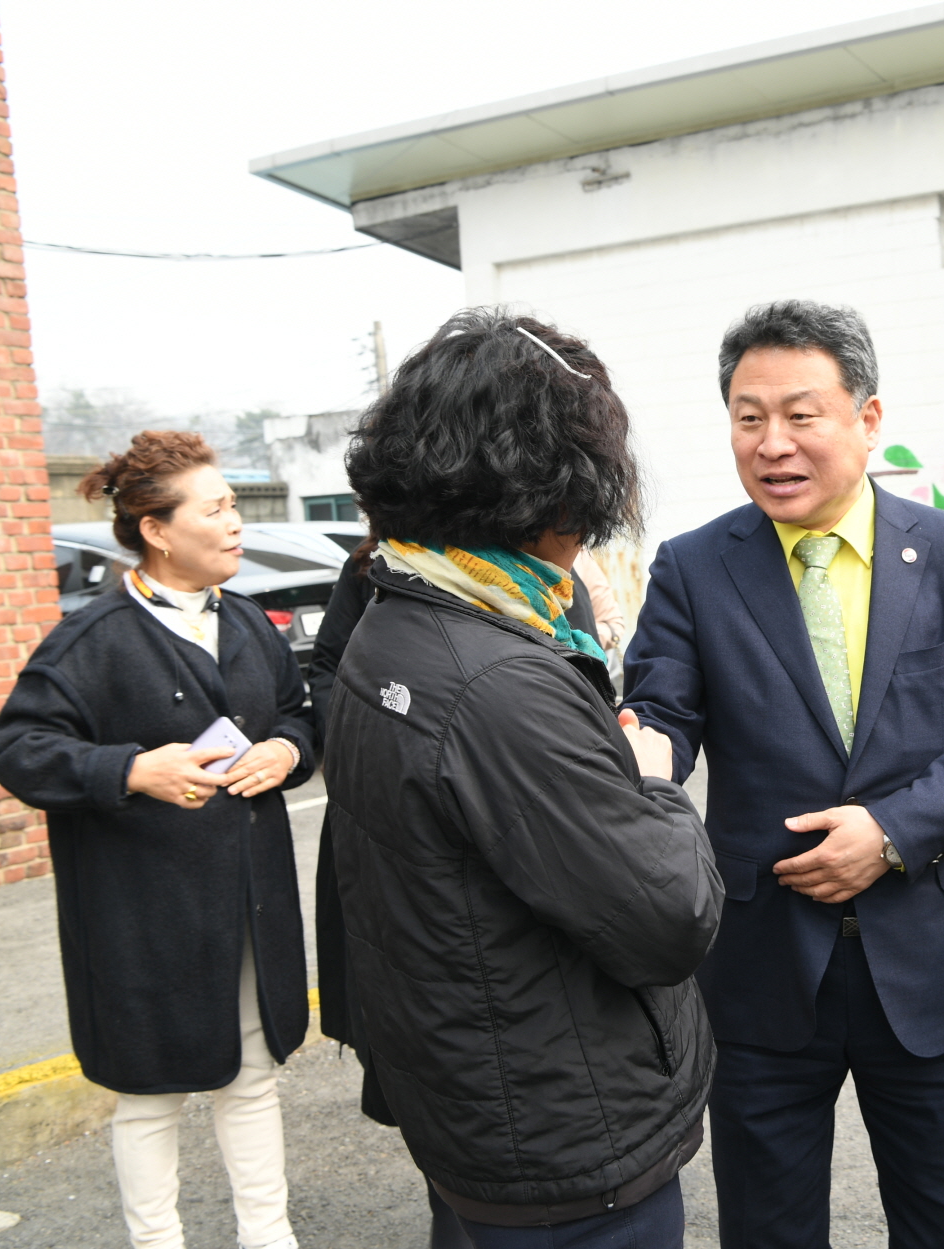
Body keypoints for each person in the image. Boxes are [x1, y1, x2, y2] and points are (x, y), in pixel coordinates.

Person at [621, 299, 944, 1249]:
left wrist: (893, 830)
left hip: (928, 957)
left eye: (800, 414)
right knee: (767, 1229)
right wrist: (635, 750)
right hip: (761, 968)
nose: (771, 443)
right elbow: (663, 713)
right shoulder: (694, 568)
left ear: (867, 418)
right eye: (748, 417)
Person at [322, 310, 722, 1249]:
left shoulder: (396, 611)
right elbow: (669, 915)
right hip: (564, 1138)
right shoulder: (496, 676)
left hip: (479, 1102)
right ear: (553, 482)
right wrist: (650, 780)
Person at [0, 431, 316, 1249]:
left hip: (249, 899)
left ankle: (268, 1234)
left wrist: (286, 750)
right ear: (156, 529)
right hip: (140, 915)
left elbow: (298, 714)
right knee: (148, 1094)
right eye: (216, 509)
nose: (236, 522)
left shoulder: (247, 621)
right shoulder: (90, 640)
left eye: (234, 504)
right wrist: (131, 770)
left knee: (253, 1076)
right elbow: (19, 749)